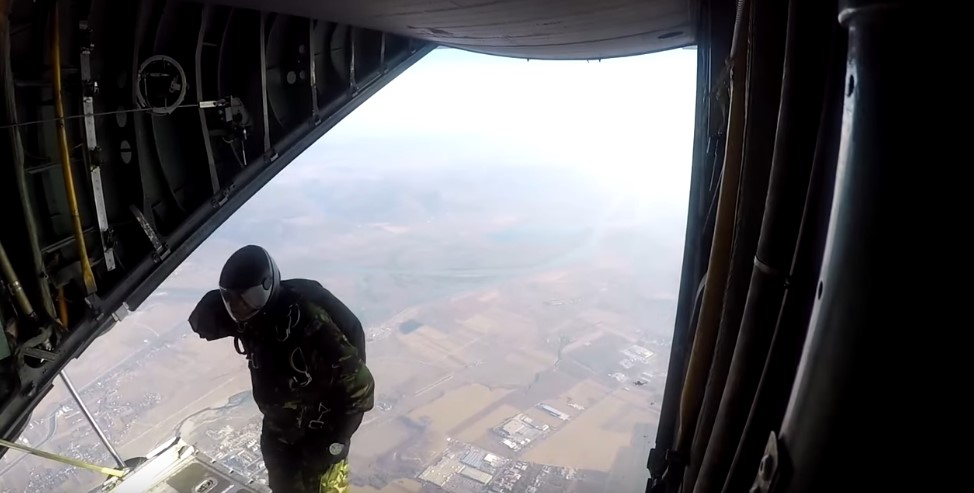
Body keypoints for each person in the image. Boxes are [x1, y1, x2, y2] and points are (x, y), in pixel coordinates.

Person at [188, 245, 373, 493]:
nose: (240, 307)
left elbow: (360, 389)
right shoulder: (251, 316)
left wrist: (334, 443)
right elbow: (206, 322)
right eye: (232, 299)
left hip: (317, 435)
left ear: (269, 287)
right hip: (280, 429)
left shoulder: (308, 323)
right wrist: (212, 312)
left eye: (248, 298)